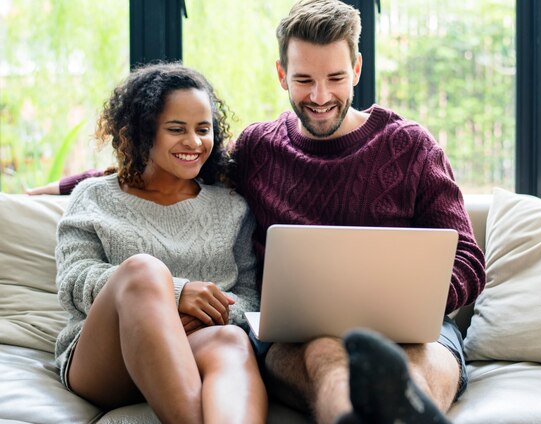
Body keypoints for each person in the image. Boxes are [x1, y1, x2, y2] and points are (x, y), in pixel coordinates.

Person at [30, 1, 486, 423]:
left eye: (335, 78)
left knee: (415, 366)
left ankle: (407, 409)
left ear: (357, 70)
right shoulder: (259, 149)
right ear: (281, 74)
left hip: (412, 330)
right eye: (305, 80)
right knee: (327, 357)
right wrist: (70, 185)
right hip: (305, 334)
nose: (321, 95)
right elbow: (176, 161)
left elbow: (466, 257)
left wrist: (406, 305)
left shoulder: (410, 147)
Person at [53, 63, 267, 424]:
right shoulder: (93, 197)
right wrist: (174, 294)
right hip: (106, 360)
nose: (194, 142)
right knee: (144, 270)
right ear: (143, 133)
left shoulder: (231, 207)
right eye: (176, 129)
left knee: (231, 341)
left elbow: (250, 299)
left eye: (203, 129)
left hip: (195, 343)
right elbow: (74, 281)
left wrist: (202, 315)